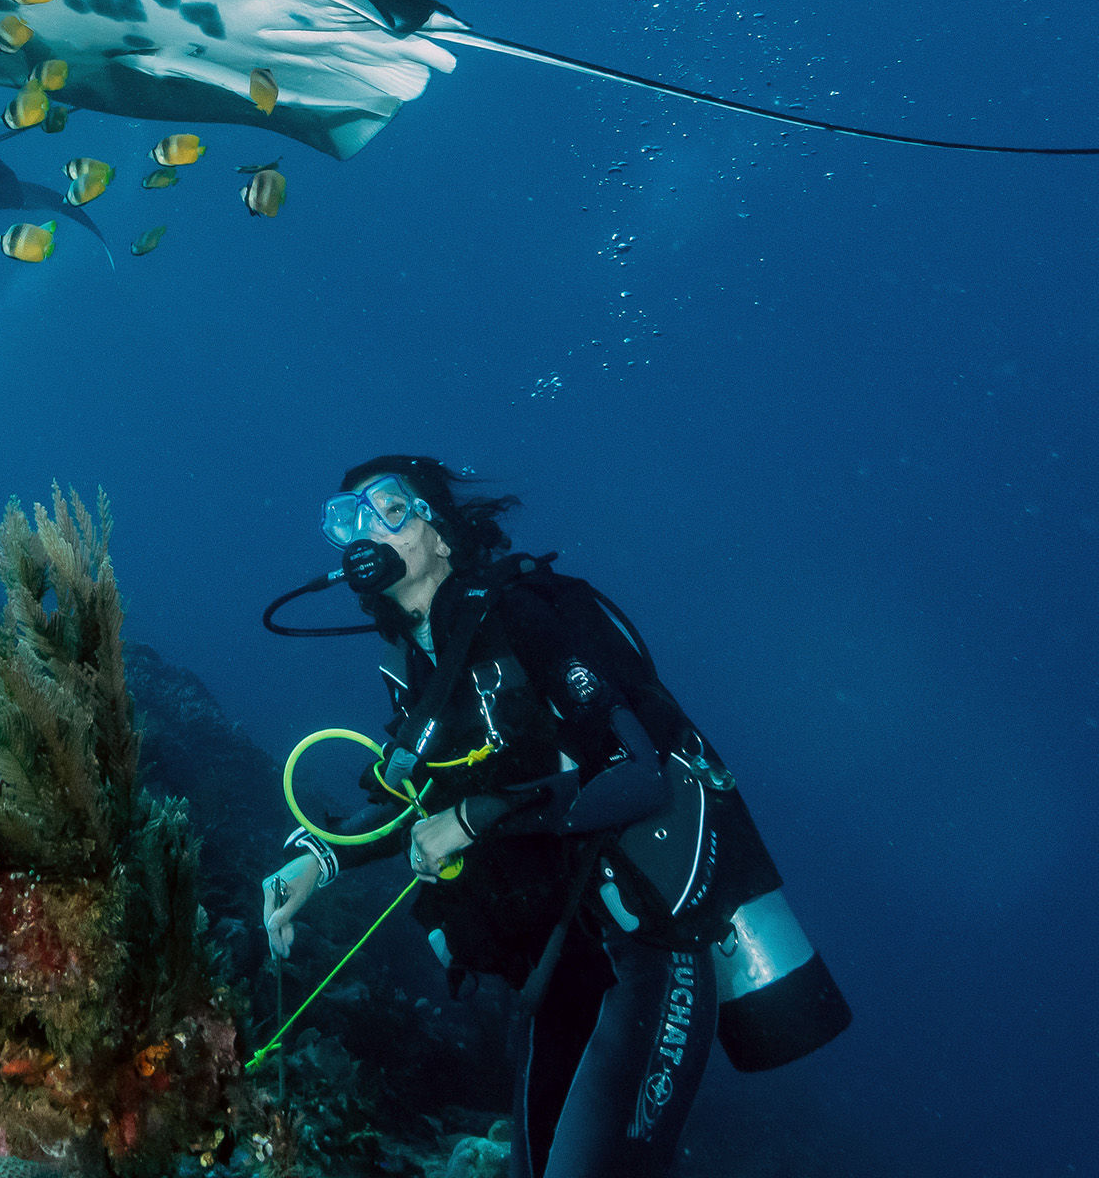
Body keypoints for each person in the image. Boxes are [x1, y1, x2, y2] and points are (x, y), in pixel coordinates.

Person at [258, 457, 846, 1178]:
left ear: (441, 535)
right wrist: (317, 863)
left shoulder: (525, 613)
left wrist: (474, 817)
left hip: (650, 939)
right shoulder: (427, 664)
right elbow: (416, 801)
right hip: (561, 955)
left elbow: (640, 774)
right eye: (346, 517)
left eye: (389, 509)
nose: (365, 530)